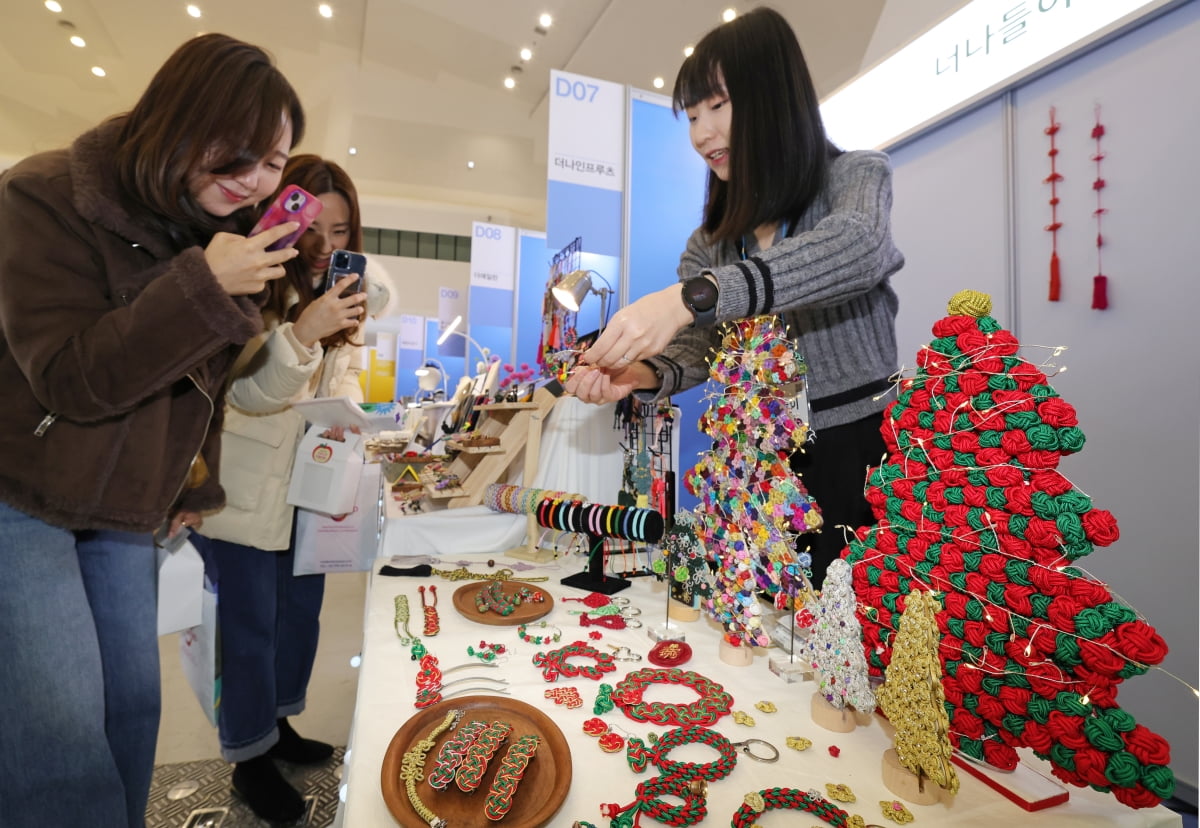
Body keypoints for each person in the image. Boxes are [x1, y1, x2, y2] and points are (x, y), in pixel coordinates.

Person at [0, 34, 304, 828]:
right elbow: (70, 376)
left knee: (133, 709)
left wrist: (193, 482)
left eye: (274, 162)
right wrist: (204, 286)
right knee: (58, 732)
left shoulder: (204, 233)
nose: (256, 182)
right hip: (22, 495)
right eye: (240, 155)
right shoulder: (42, 195)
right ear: (176, 119)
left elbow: (201, 391)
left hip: (125, 508)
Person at [566, 6, 904, 588]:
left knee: (857, 643)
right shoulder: (712, 242)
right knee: (771, 642)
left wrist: (694, 296)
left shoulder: (856, 177)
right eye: (692, 116)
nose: (701, 134)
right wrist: (640, 373)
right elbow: (702, 347)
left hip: (863, 452)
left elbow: (858, 249)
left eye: (717, 107)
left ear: (774, 95)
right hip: (763, 465)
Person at [191, 155, 367, 823]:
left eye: (343, 228)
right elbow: (247, 393)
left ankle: (279, 726)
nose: (328, 242)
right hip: (243, 488)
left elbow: (338, 379)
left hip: (310, 490)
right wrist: (302, 331)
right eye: (316, 226)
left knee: (298, 618)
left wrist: (350, 417)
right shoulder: (251, 285)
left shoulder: (339, 291)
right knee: (249, 630)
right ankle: (248, 759)